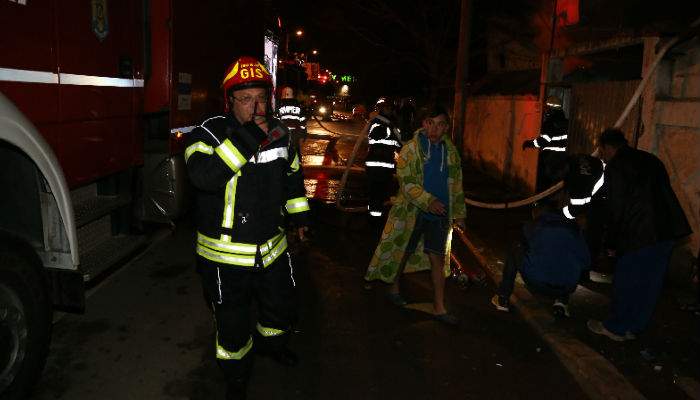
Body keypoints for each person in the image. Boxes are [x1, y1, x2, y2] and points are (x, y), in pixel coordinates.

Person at [184, 56, 310, 399]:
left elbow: (293, 179)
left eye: (261, 98)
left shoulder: (281, 133)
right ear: (229, 102)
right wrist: (249, 136)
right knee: (233, 324)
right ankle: (236, 377)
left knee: (280, 306)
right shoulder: (207, 133)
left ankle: (274, 346)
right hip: (226, 256)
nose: (257, 107)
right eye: (246, 99)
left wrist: (299, 218)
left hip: (273, 248)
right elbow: (204, 178)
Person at [365, 104, 466, 325]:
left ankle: (440, 307)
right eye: (430, 123)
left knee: (437, 258)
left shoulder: (451, 153)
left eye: (440, 125)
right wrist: (428, 201)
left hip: (440, 215)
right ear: (423, 124)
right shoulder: (409, 150)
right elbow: (407, 181)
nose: (434, 129)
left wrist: (459, 213)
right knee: (403, 252)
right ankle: (394, 287)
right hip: (411, 212)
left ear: (446, 128)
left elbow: (457, 185)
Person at [587, 128, 692, 341]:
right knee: (649, 283)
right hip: (667, 232)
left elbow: (616, 208)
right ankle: (634, 327)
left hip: (639, 233)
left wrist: (611, 242)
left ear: (607, 147)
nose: (603, 156)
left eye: (602, 151)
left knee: (627, 280)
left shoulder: (616, 166)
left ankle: (615, 328)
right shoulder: (651, 159)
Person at [491, 196, 590, 318]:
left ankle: (503, 297)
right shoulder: (573, 229)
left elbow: (525, 250)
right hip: (566, 287)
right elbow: (586, 262)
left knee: (515, 248)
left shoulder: (531, 226)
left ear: (537, 212)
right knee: (565, 256)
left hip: (537, 283)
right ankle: (561, 303)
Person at [365, 96, 402, 221]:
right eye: (388, 108)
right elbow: (398, 142)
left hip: (378, 164)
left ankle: (374, 216)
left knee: (376, 193)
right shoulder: (383, 124)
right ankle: (376, 221)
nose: (390, 110)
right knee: (378, 193)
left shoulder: (379, 122)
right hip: (381, 164)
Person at [522, 95, 569, 191]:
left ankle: (541, 200)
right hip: (563, 156)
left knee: (543, 179)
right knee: (557, 181)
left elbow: (543, 141)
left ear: (551, 109)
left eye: (547, 108)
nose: (546, 111)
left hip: (550, 157)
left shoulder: (549, 123)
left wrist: (529, 143)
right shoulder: (567, 122)